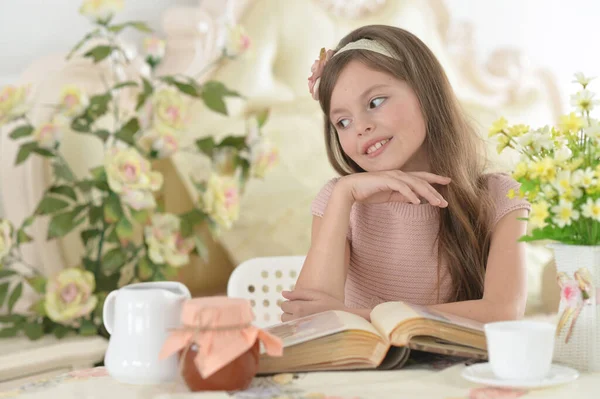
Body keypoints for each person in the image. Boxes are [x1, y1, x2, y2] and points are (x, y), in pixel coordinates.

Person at [279, 25, 531, 324]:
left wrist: (362, 315)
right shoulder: (340, 201)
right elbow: (309, 320)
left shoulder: (500, 197)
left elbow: (503, 312)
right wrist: (344, 195)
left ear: (425, 92)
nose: (360, 127)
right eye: (343, 122)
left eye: (375, 103)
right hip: (363, 370)